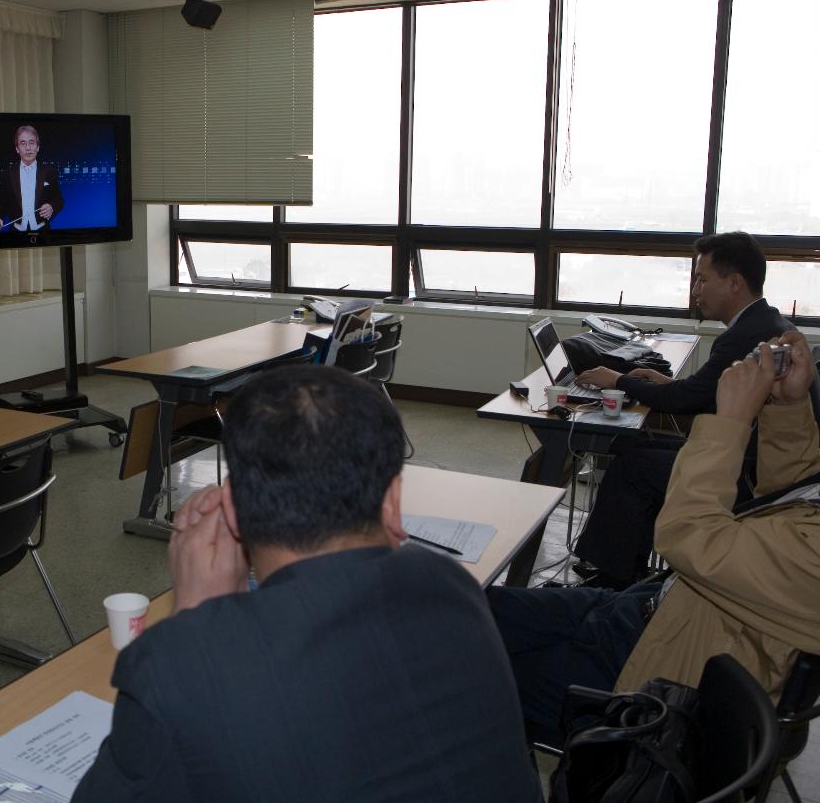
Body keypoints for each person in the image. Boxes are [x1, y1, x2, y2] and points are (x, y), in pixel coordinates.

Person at [73, 366, 541, 802]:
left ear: (232, 509)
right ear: (393, 504)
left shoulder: (178, 665)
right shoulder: (453, 585)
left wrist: (198, 616)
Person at [489, 331, 820, 742]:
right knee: (475, 605)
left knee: (471, 661)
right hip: (653, 609)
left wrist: (730, 423)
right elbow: (795, 493)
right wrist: (789, 406)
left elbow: (686, 536)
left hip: (657, 673)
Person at [570, 231, 813, 587]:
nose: (695, 291)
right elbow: (702, 392)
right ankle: (623, 564)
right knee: (632, 446)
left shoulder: (746, 336)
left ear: (734, 283)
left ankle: (613, 580)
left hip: (755, 475)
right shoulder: (767, 323)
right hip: (761, 459)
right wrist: (661, 382)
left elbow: (685, 401)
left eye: (701, 279)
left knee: (633, 467)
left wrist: (617, 379)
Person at [0, 125, 63, 233]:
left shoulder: (49, 172)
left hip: (44, 234)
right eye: (23, 143)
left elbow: (59, 200)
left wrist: (51, 207)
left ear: (38, 147)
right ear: (17, 149)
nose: (28, 148)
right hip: (15, 236)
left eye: (32, 143)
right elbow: (1, 202)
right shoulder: (8, 174)